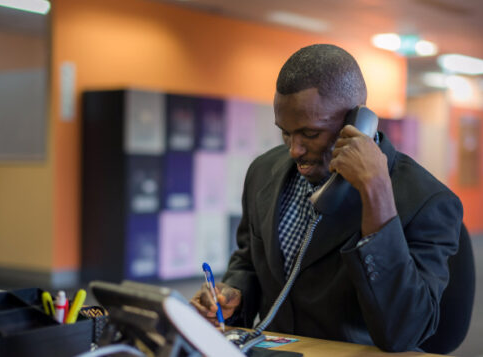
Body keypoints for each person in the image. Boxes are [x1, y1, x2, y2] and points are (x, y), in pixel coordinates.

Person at [190, 44, 463, 352]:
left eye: (310, 133)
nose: (294, 150)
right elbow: (248, 262)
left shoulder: (427, 201)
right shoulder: (263, 171)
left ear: (358, 123)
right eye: (285, 132)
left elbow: (405, 331)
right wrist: (232, 294)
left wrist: (376, 194)